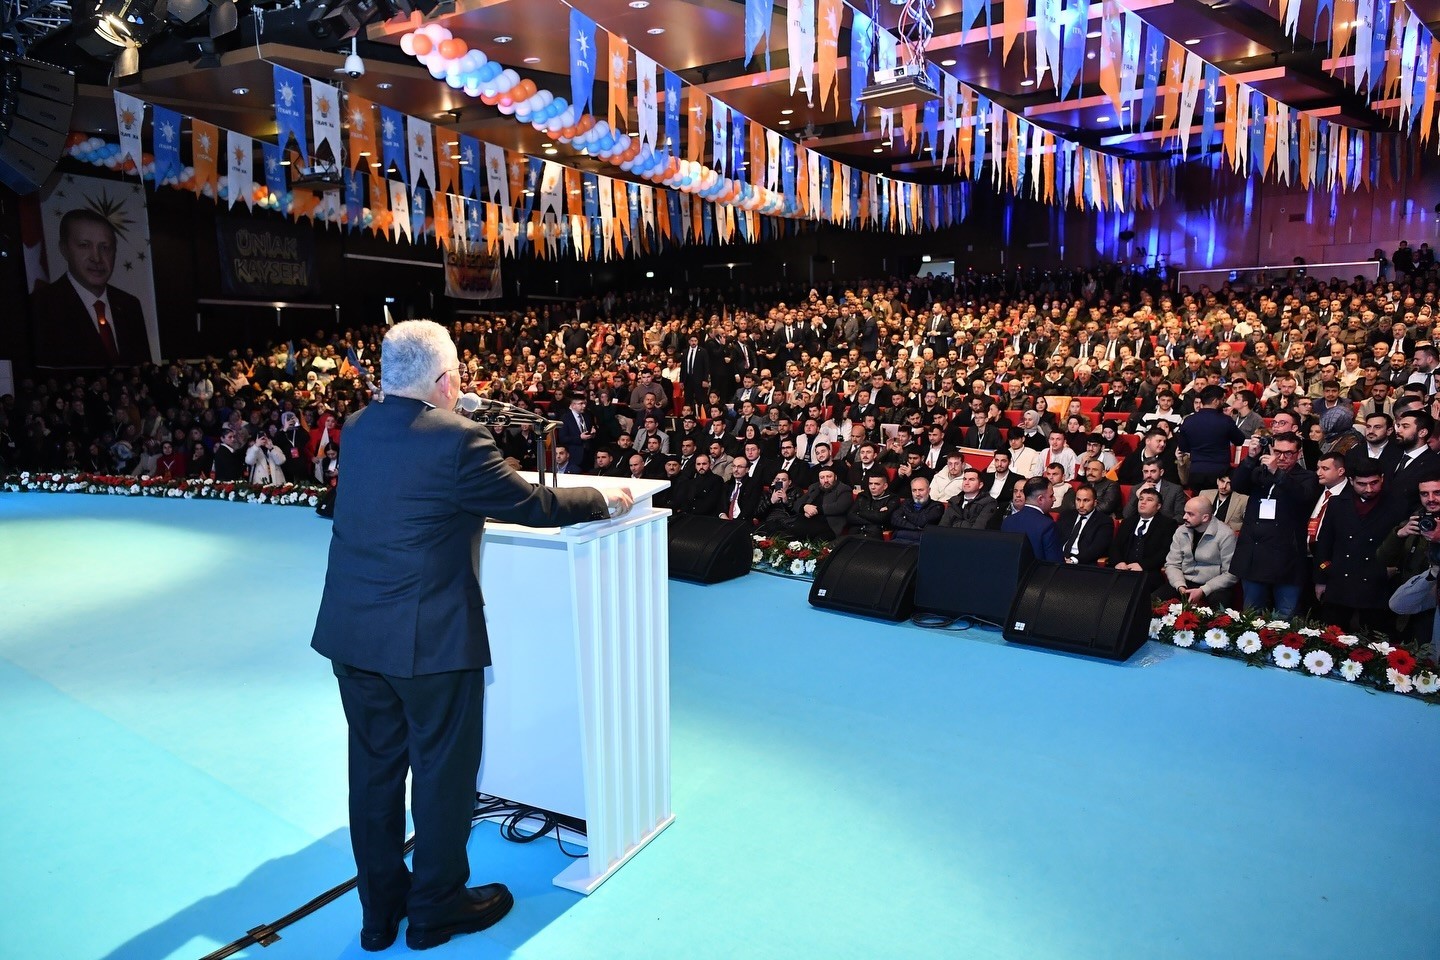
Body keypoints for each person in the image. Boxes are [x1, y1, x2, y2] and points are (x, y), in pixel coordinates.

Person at [310, 320, 631, 953]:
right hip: (429, 645)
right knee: (441, 774)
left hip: (353, 635)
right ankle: (437, 908)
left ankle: (379, 914)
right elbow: (532, 504)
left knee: (373, 775)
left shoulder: (356, 427)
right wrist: (605, 498)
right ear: (447, 381)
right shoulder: (457, 440)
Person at [31, 208, 152, 367]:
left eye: (105, 247)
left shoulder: (129, 305)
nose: (96, 258)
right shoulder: (41, 306)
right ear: (64, 249)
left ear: (114, 252)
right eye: (84, 245)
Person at [1230, 432, 1318, 616]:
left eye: (1288, 453)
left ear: (1299, 453)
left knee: (1285, 617)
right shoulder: (1260, 472)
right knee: (1252, 615)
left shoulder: (1307, 477)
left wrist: (1277, 472)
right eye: (1277, 452)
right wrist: (1251, 457)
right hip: (1255, 554)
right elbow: (1237, 484)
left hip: (1287, 557)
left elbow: (1303, 496)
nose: (1282, 457)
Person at [1312, 458, 1403, 632]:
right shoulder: (1337, 504)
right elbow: (1324, 543)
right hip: (1339, 581)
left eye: (1374, 483)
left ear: (1382, 478)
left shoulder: (1396, 506)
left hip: (1376, 583)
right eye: (1362, 484)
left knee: (1374, 644)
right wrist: (1321, 579)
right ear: (1351, 481)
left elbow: (1400, 547)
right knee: (1333, 639)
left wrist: (1388, 571)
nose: (1369, 489)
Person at [1158, 496, 1238, 604]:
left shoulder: (1225, 534)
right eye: (1185, 512)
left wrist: (1203, 590)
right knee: (1153, 601)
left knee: (1219, 602)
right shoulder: (1181, 531)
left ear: (1205, 518)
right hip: (1184, 582)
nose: (1184, 517)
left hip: (1213, 586)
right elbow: (1172, 564)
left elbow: (1231, 574)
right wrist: (1179, 585)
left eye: (1190, 514)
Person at [1108, 488, 1179, 591]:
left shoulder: (1167, 524)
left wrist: (1142, 565)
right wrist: (1119, 562)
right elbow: (1115, 546)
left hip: (1148, 571)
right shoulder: (1127, 522)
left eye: (1149, 500)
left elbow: (1165, 551)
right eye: (1141, 499)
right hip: (1123, 569)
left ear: (1158, 506)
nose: (1143, 502)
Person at [1000, 476, 1061, 562]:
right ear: (1040, 499)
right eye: (1051, 496)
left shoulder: (1008, 521)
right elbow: (1054, 564)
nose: (1054, 499)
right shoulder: (1048, 526)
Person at [1054, 485, 1114, 565]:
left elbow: (1097, 548)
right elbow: (1055, 539)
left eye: (1086, 500)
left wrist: (1073, 560)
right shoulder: (1066, 515)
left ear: (1095, 503)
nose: (1081, 505)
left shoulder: (1104, 521)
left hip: (1082, 563)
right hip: (1059, 559)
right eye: (1078, 500)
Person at [890, 476, 945, 543]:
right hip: (898, 539)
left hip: (920, 543)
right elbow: (894, 519)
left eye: (921, 490)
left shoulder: (937, 506)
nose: (917, 494)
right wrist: (915, 527)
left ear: (929, 490)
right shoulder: (907, 503)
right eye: (914, 490)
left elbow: (921, 521)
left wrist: (906, 515)